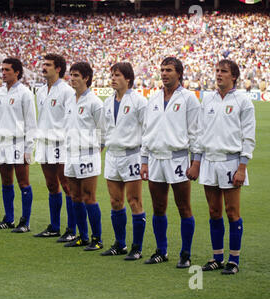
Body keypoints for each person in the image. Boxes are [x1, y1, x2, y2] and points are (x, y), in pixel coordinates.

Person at [190, 59, 256, 275]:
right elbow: (200, 133)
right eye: (217, 71)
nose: (219, 74)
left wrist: (242, 166)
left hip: (231, 161)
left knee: (232, 211)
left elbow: (248, 136)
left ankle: (234, 259)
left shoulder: (243, 101)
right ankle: (217, 257)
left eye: (224, 71)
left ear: (233, 76)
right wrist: (196, 162)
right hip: (209, 161)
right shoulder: (207, 99)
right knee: (214, 210)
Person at [140, 57, 200, 268]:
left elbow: (195, 133)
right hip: (155, 158)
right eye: (162, 70)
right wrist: (144, 160)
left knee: (183, 207)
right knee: (158, 207)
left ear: (179, 74)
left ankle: (185, 253)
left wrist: (196, 162)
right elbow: (147, 131)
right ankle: (161, 251)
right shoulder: (153, 98)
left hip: (177, 158)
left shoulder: (189, 99)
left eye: (169, 70)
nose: (164, 73)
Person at [101, 62, 147, 259]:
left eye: (117, 75)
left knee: (134, 201)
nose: (113, 78)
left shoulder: (139, 101)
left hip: (131, 155)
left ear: (127, 78)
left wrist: (145, 158)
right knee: (115, 201)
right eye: (112, 75)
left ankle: (137, 247)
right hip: (112, 155)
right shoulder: (107, 102)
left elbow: (147, 130)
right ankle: (120, 244)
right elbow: (104, 131)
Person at [33, 53, 77, 243]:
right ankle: (54, 226)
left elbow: (69, 119)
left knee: (67, 186)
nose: (44, 67)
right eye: (43, 64)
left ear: (58, 68)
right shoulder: (41, 91)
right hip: (44, 142)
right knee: (51, 185)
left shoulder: (67, 91)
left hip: (61, 143)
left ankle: (72, 229)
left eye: (48, 65)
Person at [63, 62, 107, 251]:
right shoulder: (69, 100)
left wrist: (96, 151)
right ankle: (82, 236)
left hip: (88, 154)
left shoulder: (95, 102)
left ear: (86, 78)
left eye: (76, 75)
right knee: (75, 197)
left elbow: (103, 131)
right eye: (71, 75)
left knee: (89, 197)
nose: (72, 79)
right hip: (70, 154)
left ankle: (97, 239)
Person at [0, 57, 37, 233]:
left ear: (17, 72)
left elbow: (31, 123)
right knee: (6, 182)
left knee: (23, 182)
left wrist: (28, 148)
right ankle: (9, 219)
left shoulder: (25, 93)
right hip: (2, 143)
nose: (3, 73)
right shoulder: (1, 92)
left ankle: (25, 221)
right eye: (2, 70)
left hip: (18, 142)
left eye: (7, 70)